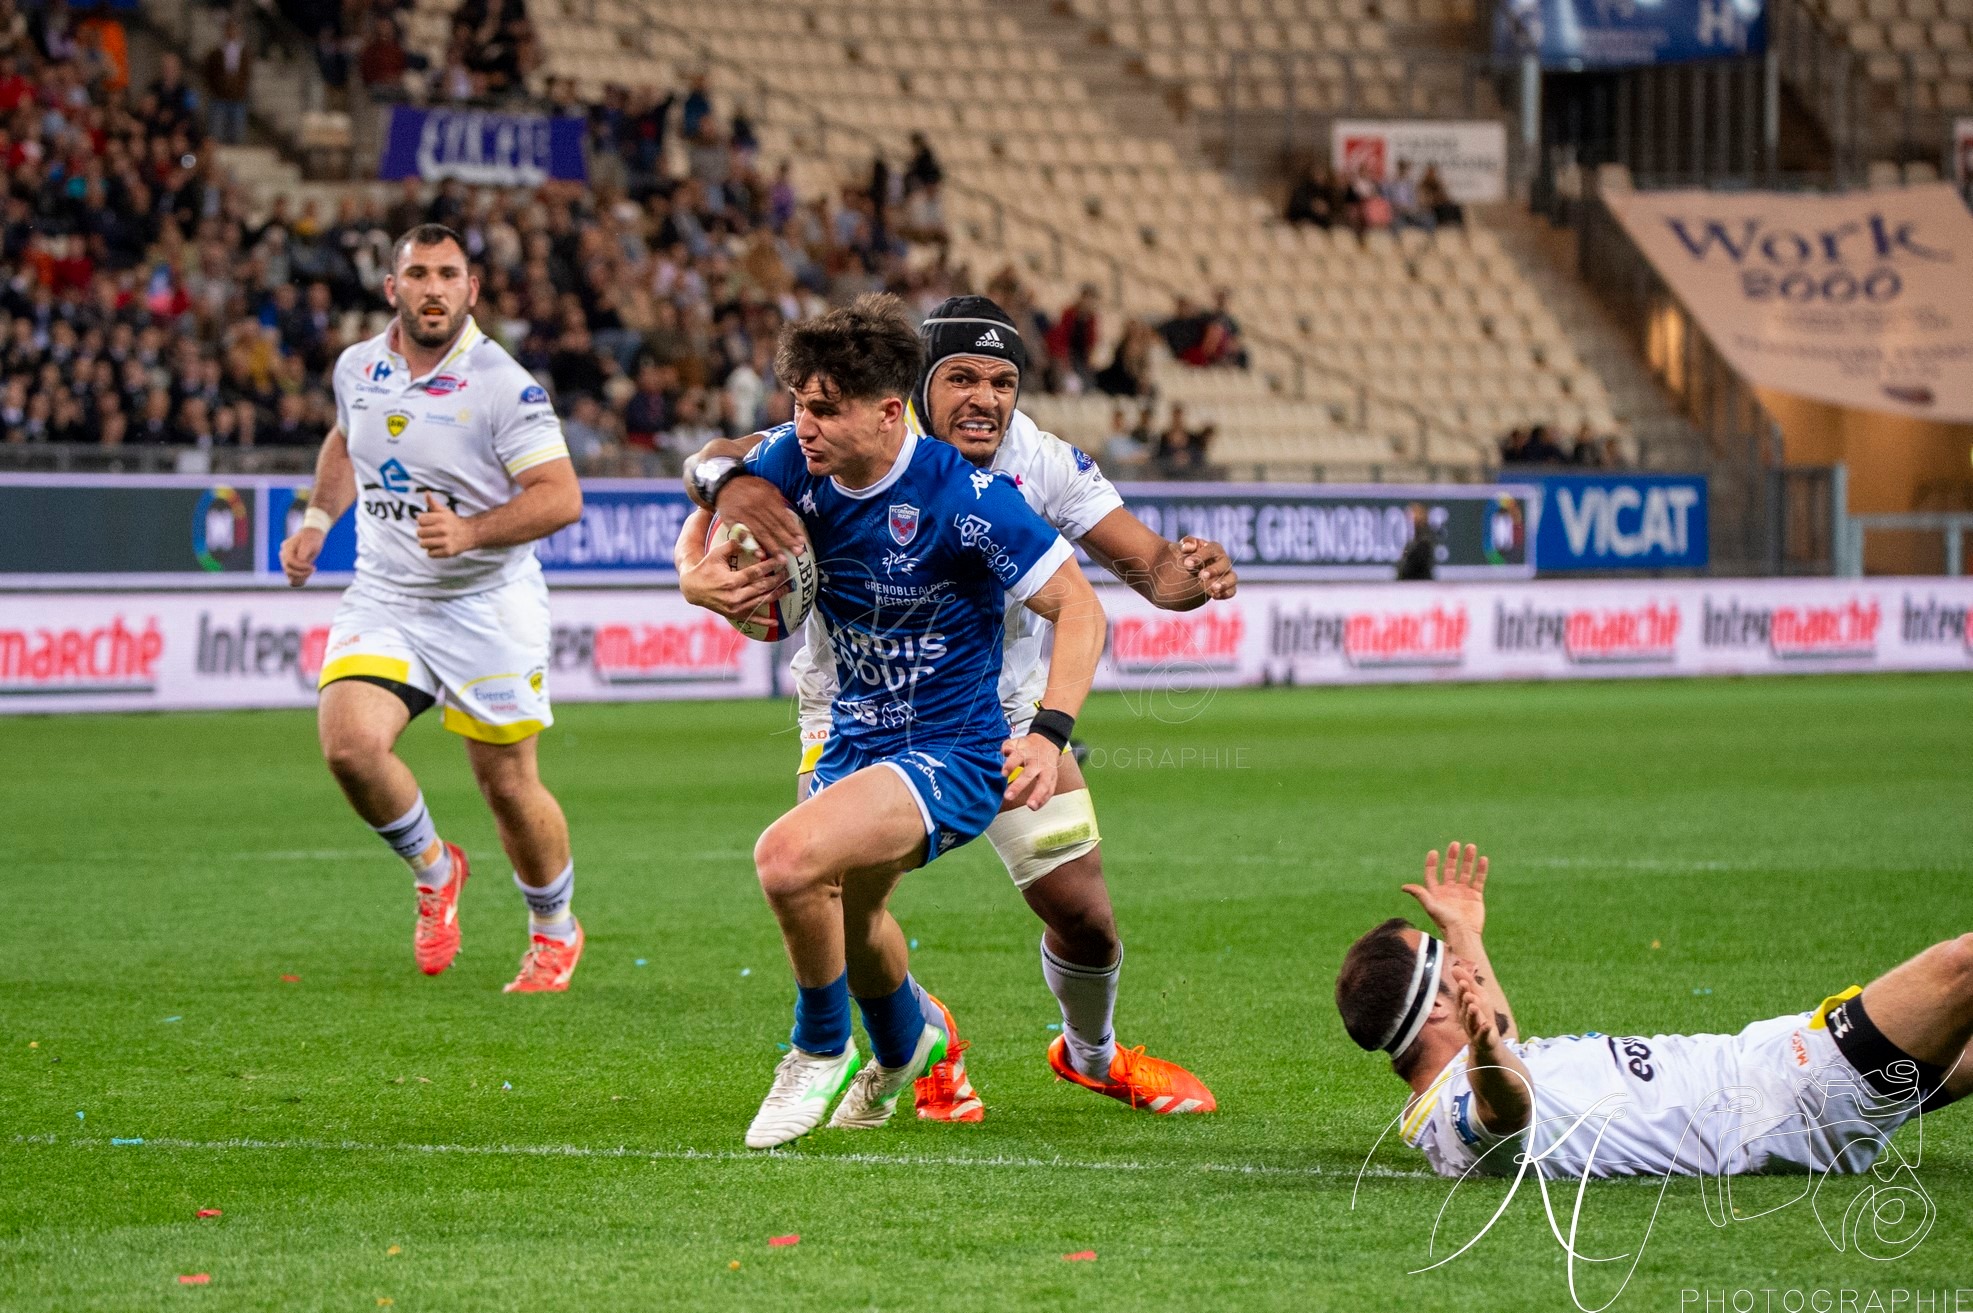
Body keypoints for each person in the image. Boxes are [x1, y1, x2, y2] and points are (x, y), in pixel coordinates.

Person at [681, 295, 1235, 1120]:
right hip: (844, 707)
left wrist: (1191, 575)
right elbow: (718, 464)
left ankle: (1093, 1054)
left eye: (1002, 381)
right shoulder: (834, 429)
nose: (985, 399)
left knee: (1082, 914)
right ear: (910, 390)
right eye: (963, 378)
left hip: (1001, 712)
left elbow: (1144, 572)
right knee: (841, 898)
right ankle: (919, 1041)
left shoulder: (1032, 462)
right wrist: (702, 554)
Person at [277, 224, 589, 994]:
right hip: (386, 596)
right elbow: (345, 441)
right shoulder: (358, 365)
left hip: (486, 602)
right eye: (417, 273)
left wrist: (473, 530)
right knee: (350, 745)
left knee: (508, 787)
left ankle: (554, 928)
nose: (433, 287)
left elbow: (562, 497)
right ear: (393, 287)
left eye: (448, 273)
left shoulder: (502, 384)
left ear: (471, 290)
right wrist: (318, 521)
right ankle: (434, 866)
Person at [1337, 842, 1968, 1180]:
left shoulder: (1468, 1061)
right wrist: (1486, 1059)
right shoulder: (1454, 1116)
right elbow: (1508, 1106)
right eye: (1451, 962)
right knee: (1959, 967)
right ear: (1441, 1012)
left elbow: (1498, 1033)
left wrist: (1467, 930)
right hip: (1789, 1100)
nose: (1466, 965)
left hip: (1769, 1062)